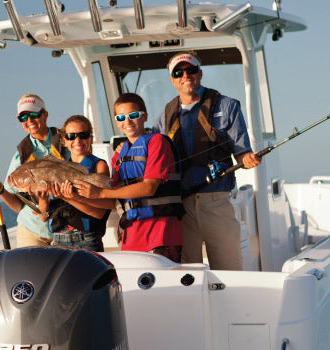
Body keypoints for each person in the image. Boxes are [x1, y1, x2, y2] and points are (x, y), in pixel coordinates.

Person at [153, 51, 261, 269]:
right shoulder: (165, 115)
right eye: (179, 72)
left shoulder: (227, 106)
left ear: (200, 74)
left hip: (217, 202)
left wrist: (247, 158)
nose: (186, 75)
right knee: (186, 275)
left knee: (229, 271)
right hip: (181, 207)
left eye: (191, 70)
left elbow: (241, 151)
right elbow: (154, 153)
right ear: (172, 80)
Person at [74, 93, 183, 262]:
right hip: (131, 235)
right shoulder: (119, 155)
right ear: (116, 121)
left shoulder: (157, 142)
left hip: (160, 232)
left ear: (145, 116)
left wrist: (100, 192)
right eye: (121, 117)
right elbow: (114, 200)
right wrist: (76, 196)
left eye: (133, 116)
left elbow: (149, 187)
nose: (128, 122)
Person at [0, 94, 67, 247]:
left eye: (34, 114)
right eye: (23, 117)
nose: (29, 120)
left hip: (67, 229)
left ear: (45, 114)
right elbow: (18, 206)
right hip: (32, 230)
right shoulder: (20, 157)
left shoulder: (67, 140)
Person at [35, 115, 114, 252]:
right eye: (71, 136)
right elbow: (43, 217)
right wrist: (42, 200)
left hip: (87, 241)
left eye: (83, 135)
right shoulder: (56, 170)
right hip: (58, 240)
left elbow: (99, 213)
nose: (77, 140)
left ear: (90, 138)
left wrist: (68, 196)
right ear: (64, 141)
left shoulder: (99, 166)